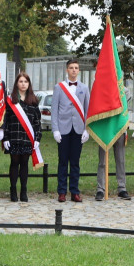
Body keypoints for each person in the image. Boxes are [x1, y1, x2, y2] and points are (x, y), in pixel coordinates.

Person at [52, 59, 90, 203]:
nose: (74, 70)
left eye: (76, 68)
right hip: (63, 128)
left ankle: (74, 191)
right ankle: (61, 192)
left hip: (78, 129)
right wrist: (55, 130)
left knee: (75, 162)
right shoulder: (59, 87)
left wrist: (87, 129)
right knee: (62, 161)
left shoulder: (84, 88)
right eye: (71, 68)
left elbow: (87, 110)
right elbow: (54, 110)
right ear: (67, 70)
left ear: (79, 71)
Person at [3, 72, 42, 202]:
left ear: (29, 84)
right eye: (21, 81)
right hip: (14, 137)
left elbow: (37, 122)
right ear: (16, 84)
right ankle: (13, 190)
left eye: (25, 81)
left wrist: (37, 138)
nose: (23, 84)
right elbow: (6, 120)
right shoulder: (10, 100)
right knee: (14, 163)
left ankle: (24, 190)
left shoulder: (33, 101)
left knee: (24, 164)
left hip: (27, 138)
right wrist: (5, 138)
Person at [96, 132, 130, 200]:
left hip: (119, 127)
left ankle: (122, 188)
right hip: (105, 128)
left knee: (120, 160)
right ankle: (100, 189)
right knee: (102, 161)